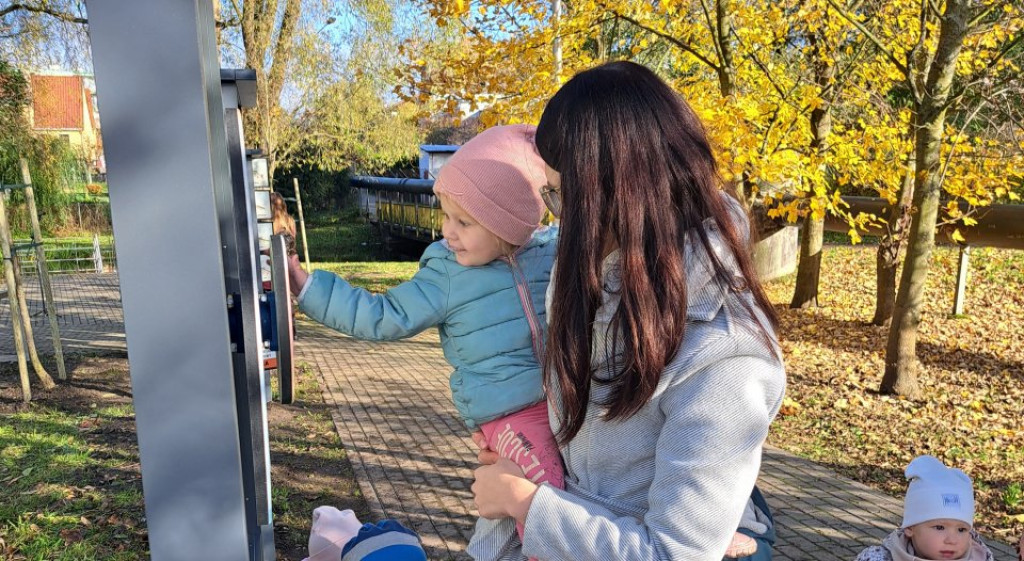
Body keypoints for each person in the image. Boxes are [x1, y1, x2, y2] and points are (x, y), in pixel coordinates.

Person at [466, 61, 786, 560]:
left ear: (620, 195)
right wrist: (524, 461)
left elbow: (672, 553)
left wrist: (528, 504)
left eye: (561, 195)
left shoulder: (727, 358)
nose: (558, 215)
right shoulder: (596, 279)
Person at [287, 125, 564, 548]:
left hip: (560, 401)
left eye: (463, 221)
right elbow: (383, 315)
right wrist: (308, 287)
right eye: (444, 215)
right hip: (508, 411)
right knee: (546, 481)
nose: (447, 232)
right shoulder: (447, 274)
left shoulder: (549, 252)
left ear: (509, 225)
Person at [854, 455, 995, 561]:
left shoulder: (980, 557)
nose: (952, 540)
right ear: (910, 527)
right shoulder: (880, 558)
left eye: (961, 529)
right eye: (939, 527)